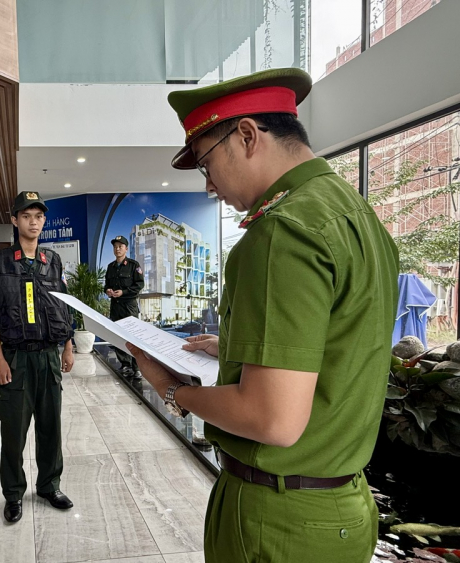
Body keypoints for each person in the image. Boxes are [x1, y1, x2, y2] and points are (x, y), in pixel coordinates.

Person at [127, 68, 399, 563]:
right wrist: (232, 348)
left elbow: (271, 418)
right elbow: (336, 349)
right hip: (341, 506)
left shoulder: (282, 233)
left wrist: (171, 387)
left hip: (279, 520)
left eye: (207, 163)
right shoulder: (355, 215)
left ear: (248, 135)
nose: (209, 186)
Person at [0, 191, 75, 524]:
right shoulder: (0, 262)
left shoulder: (53, 261)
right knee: (14, 431)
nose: (33, 222)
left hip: (49, 356)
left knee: (51, 426)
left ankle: (49, 486)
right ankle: (13, 494)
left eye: (38, 216)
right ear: (15, 220)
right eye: (26, 216)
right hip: (16, 358)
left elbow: (64, 306)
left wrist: (68, 345)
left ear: (43, 222)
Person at [104, 235, 145, 379]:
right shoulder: (111, 267)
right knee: (118, 336)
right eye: (115, 246)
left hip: (129, 307)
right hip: (116, 307)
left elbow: (139, 285)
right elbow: (106, 285)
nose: (117, 249)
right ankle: (125, 365)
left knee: (133, 337)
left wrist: (124, 292)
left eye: (120, 246)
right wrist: (108, 291)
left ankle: (136, 366)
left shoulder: (134, 265)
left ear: (126, 249)